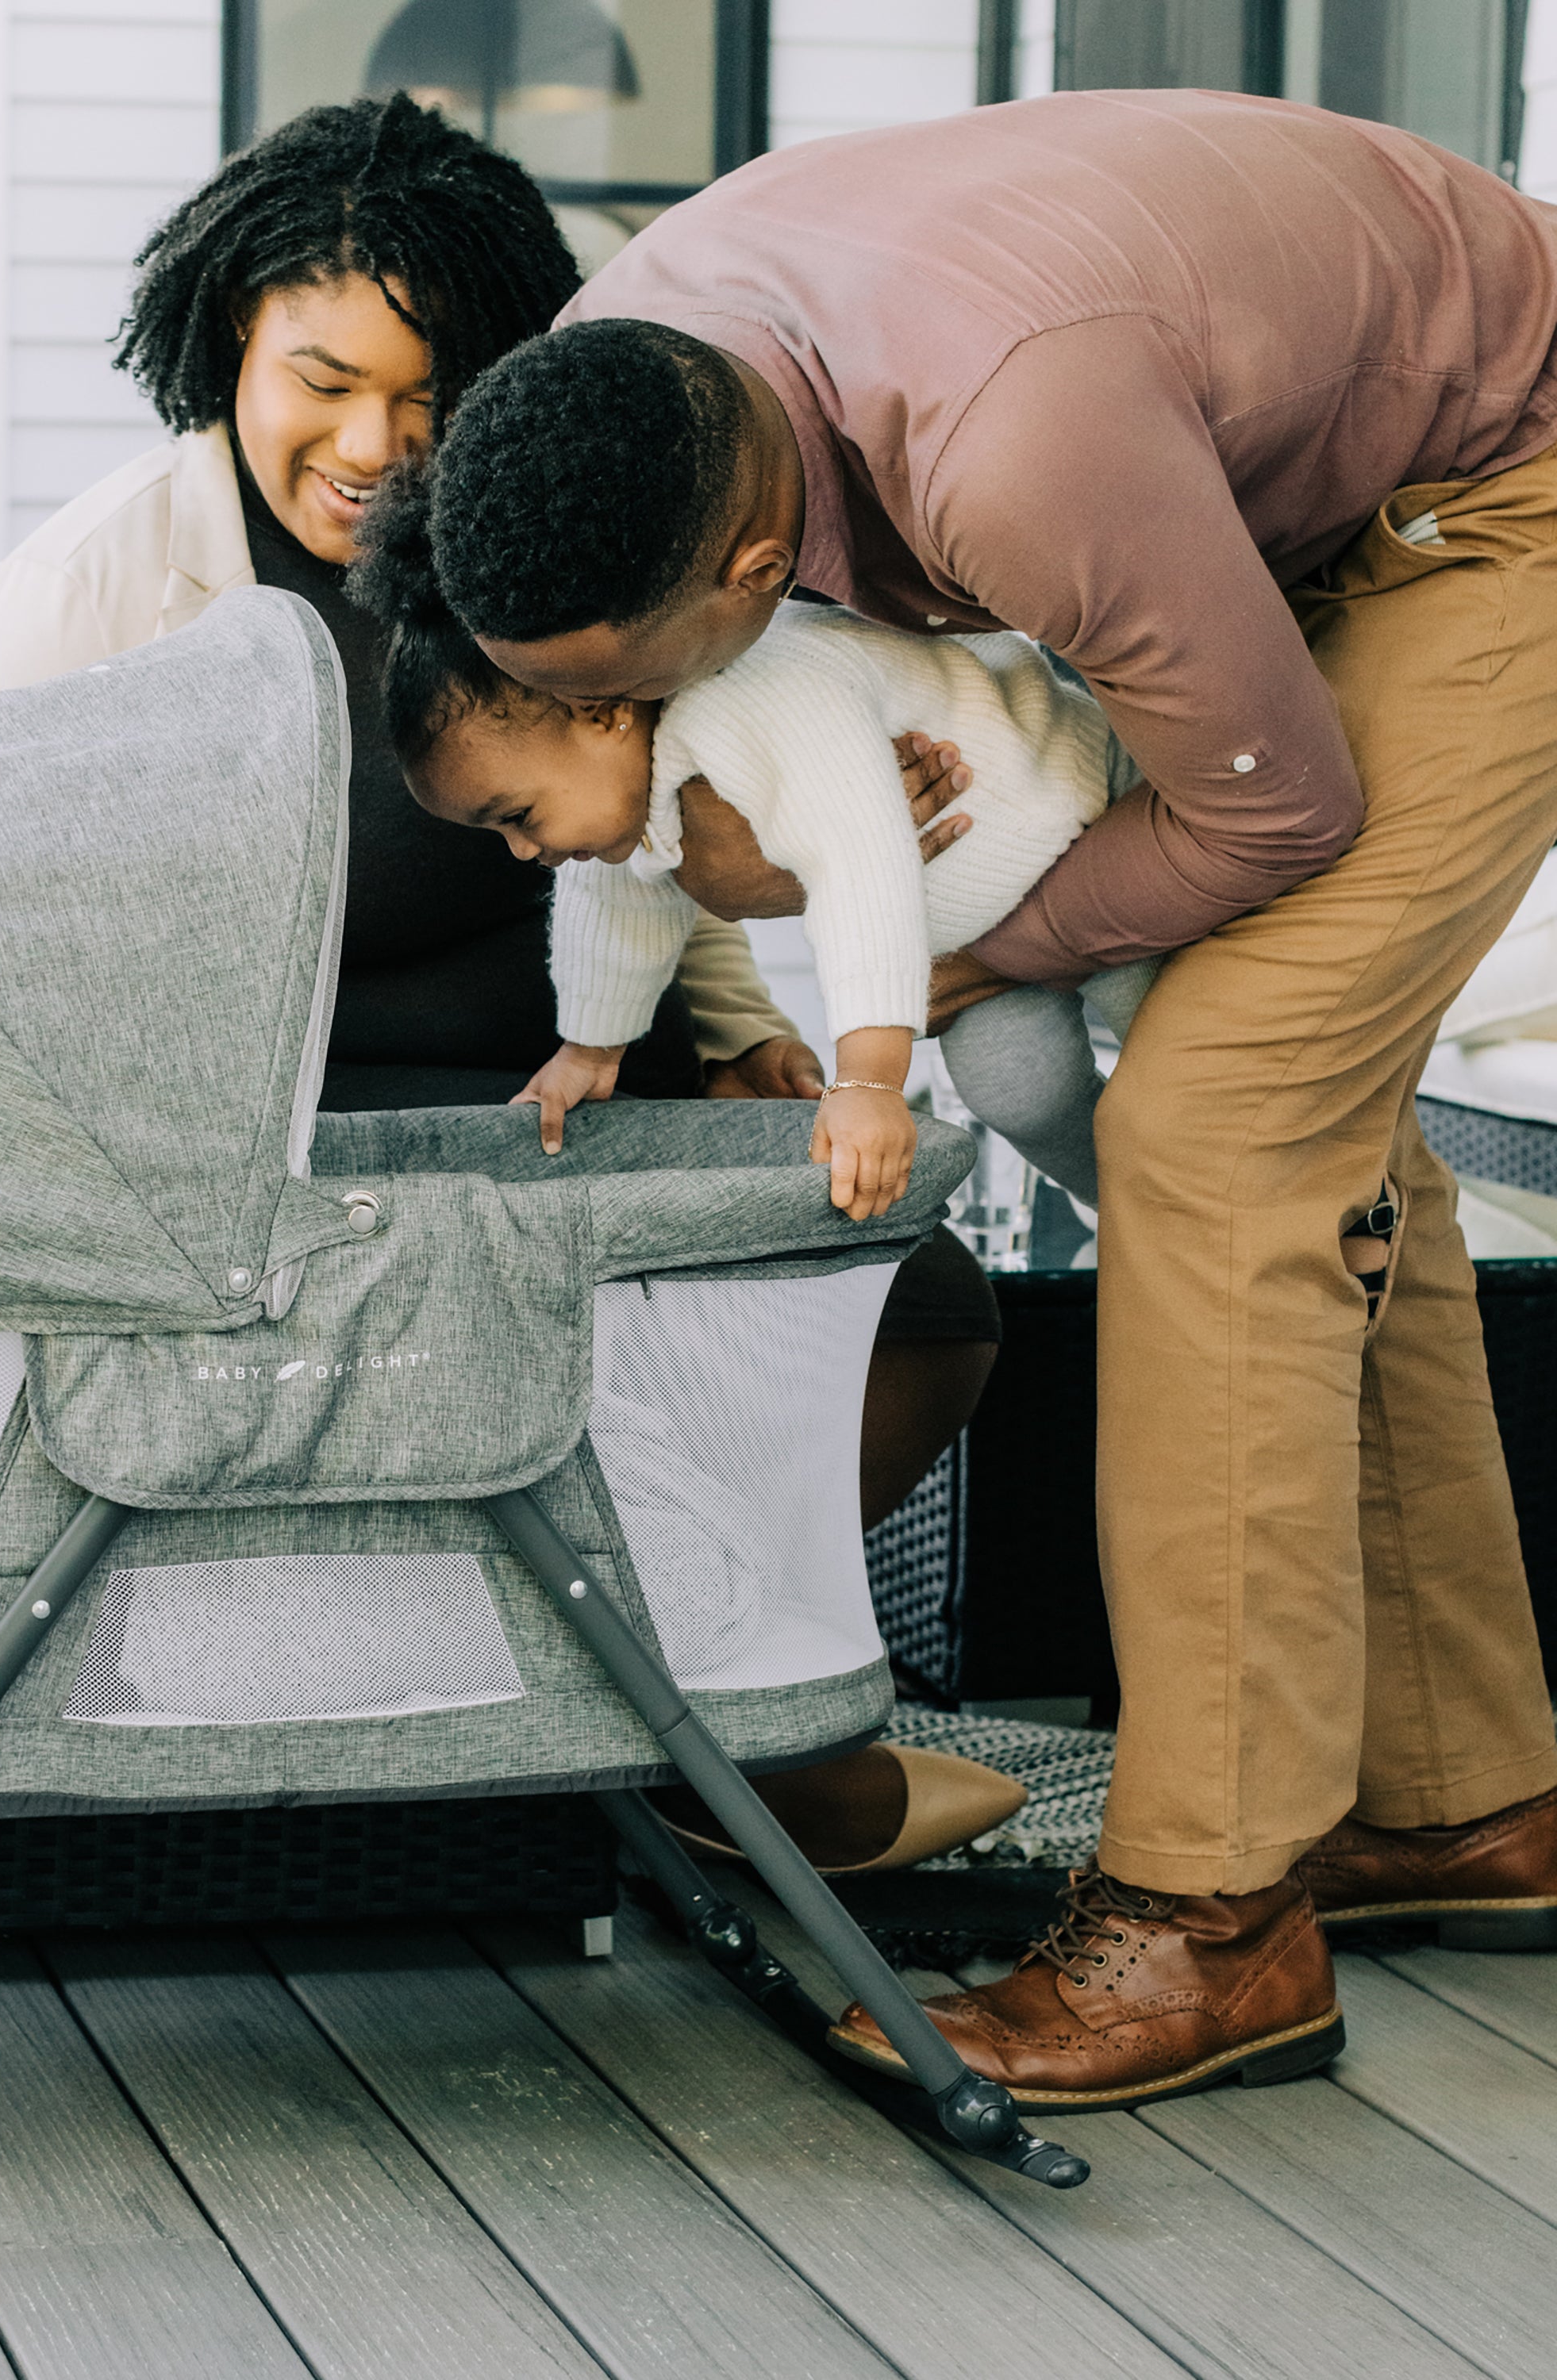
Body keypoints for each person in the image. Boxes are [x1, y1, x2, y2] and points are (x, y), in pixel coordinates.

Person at [417, 87, 1557, 2108]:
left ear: (756, 566)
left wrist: (953, 955)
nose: (615, 746)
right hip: (1251, 486)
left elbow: (1272, 804)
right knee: (1330, 1140)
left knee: (1217, 1130)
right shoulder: (634, 372)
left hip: (1497, 486)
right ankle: (1462, 1800)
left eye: (626, 696)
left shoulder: (1010, 453)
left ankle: (1209, 1920)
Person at [0, 92, 1021, 1869]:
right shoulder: (98, 588)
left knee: (920, 1312)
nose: (376, 440)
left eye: (430, 389)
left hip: (571, 1097)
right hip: (293, 1158)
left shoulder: (538, 538)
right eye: (323, 379)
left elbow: (672, 791)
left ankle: (678, 1690)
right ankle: (674, 1719)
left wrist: (755, 1026)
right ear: (231, 343)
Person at [348, 459, 1152, 1210]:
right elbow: (616, 903)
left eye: (518, 817)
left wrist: (868, 1084)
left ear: (601, 709)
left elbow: (858, 869)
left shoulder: (756, 699)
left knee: (1168, 1071)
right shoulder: (629, 780)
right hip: (996, 931)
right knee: (1015, 1086)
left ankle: (1193, 1198)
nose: (526, 852)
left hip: (1097, 831)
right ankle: (1135, 1219)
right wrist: (590, 1052)